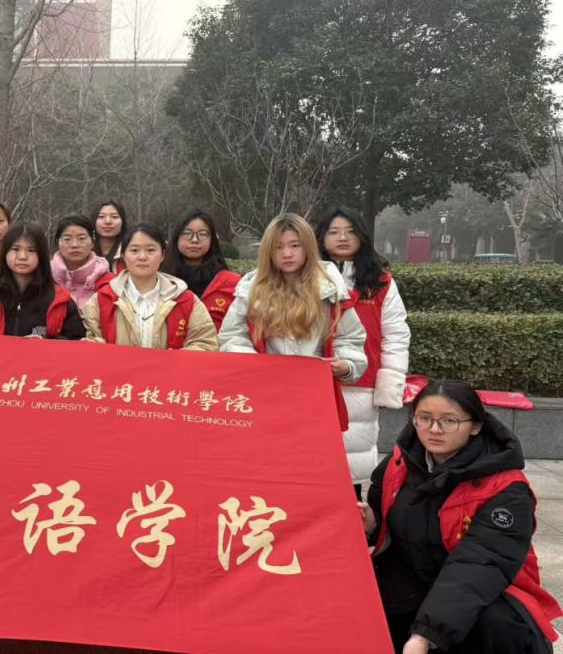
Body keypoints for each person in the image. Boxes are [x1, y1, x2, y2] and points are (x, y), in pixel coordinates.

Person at [361, 379, 562, 654]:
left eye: (449, 420)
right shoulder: (398, 463)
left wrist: (425, 635)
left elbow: (479, 563)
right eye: (424, 418)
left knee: (496, 624)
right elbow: (388, 524)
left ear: (475, 426)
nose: (434, 429)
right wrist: (371, 524)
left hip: (481, 588)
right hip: (410, 581)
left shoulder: (507, 488)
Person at [316, 206, 410, 496]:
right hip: (313, 380)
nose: (342, 238)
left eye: (350, 231)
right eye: (333, 232)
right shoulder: (305, 276)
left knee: (352, 459)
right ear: (320, 238)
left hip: (361, 382)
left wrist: (389, 385)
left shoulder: (380, 282)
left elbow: (395, 335)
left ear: (362, 236)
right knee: (313, 460)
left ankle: (352, 515)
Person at [218, 212, 367, 385]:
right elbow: (232, 336)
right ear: (268, 251)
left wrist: (346, 365)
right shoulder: (250, 290)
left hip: (314, 386)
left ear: (308, 247)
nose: (287, 254)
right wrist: (253, 362)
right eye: (278, 247)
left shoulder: (330, 290)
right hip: (265, 384)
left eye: (295, 245)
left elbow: (350, 338)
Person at [82, 223, 218, 351]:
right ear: (123, 255)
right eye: (134, 250)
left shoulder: (186, 300)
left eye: (151, 250)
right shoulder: (101, 300)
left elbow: (205, 344)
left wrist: (173, 360)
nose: (142, 257)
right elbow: (91, 345)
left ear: (162, 255)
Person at [0, 222, 85, 339]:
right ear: (5, 253)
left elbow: (76, 344)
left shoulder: (60, 300)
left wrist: (47, 343)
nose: (22, 257)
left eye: (31, 250)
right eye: (15, 249)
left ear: (41, 255)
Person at [162, 208, 242, 330]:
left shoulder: (232, 283)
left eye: (203, 234)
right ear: (176, 237)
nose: (194, 240)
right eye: (187, 233)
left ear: (212, 240)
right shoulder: (160, 280)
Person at [51, 214, 113, 310]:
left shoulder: (109, 282)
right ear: (58, 243)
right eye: (67, 239)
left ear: (92, 242)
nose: (74, 245)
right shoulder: (46, 277)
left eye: (81, 239)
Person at [92, 200, 127, 273]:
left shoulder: (129, 251)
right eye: (101, 217)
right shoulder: (85, 251)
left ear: (123, 222)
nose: (108, 221)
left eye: (114, 217)